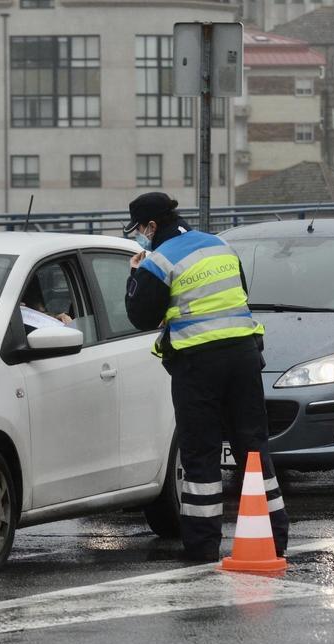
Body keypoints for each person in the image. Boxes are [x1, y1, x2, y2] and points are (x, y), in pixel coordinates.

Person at [123, 192, 289, 562]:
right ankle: (274, 536)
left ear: (151, 226)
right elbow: (239, 293)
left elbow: (141, 316)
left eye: (139, 230)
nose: (139, 237)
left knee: (200, 455)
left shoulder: (159, 261)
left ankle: (201, 546)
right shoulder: (220, 245)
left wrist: (135, 274)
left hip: (198, 363)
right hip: (244, 356)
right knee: (253, 448)